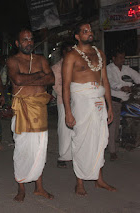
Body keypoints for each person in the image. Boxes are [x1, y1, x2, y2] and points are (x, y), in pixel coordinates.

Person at [62, 22, 117, 196]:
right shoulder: (71, 56)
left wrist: (110, 106)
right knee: (81, 140)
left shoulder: (100, 54)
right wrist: (68, 112)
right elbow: (65, 86)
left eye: (90, 30)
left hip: (99, 100)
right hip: (81, 101)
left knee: (100, 140)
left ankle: (99, 179)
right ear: (77, 36)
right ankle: (79, 181)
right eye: (85, 31)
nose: (89, 33)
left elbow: (105, 82)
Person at [7, 28, 55, 202]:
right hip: (22, 109)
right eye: (25, 40)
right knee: (22, 149)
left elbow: (52, 79)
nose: (29, 42)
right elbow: (17, 80)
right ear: (18, 43)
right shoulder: (13, 60)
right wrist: (39, 75)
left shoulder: (41, 59)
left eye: (31, 39)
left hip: (39, 108)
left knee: (40, 148)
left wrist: (32, 78)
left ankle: (39, 187)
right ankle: (21, 186)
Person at [107, 48, 140, 161]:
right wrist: (121, 87)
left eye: (123, 57)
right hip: (114, 101)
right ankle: (112, 151)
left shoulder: (127, 69)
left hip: (128, 100)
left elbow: (137, 78)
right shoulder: (108, 69)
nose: (122, 60)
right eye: (120, 57)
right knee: (114, 126)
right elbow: (110, 82)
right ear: (114, 58)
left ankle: (130, 141)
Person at [51, 41, 75, 168]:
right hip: (63, 101)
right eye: (68, 50)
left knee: (77, 129)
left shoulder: (75, 65)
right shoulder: (56, 68)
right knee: (65, 128)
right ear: (63, 52)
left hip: (77, 100)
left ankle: (75, 154)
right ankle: (63, 156)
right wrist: (69, 95)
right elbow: (57, 86)